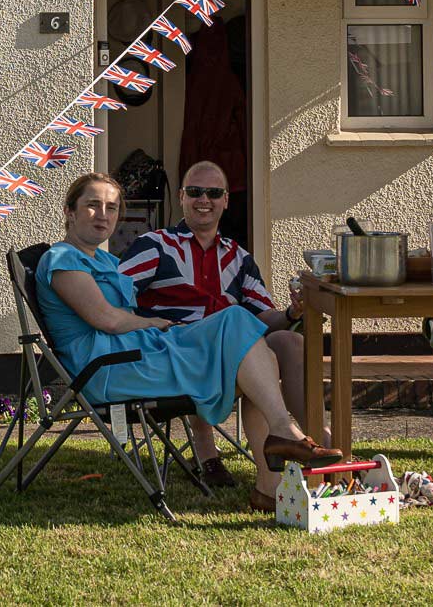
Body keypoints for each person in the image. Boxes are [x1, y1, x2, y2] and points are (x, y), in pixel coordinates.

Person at [37, 172, 339, 510]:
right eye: (92, 205)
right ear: (69, 211)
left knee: (253, 358)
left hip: (139, 354)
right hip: (108, 369)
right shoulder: (62, 259)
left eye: (111, 207)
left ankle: (270, 487)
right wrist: (153, 321)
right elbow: (106, 319)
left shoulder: (106, 261)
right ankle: (284, 437)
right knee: (238, 324)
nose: (103, 214)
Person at [118, 160, 320, 489]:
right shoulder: (156, 246)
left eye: (214, 193)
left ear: (226, 200)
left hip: (227, 357)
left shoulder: (238, 257)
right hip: (177, 356)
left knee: (288, 341)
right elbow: (113, 297)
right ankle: (269, 441)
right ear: (181, 197)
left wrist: (292, 314)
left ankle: (316, 440)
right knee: (235, 319)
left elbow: (262, 316)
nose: (204, 200)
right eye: (195, 192)